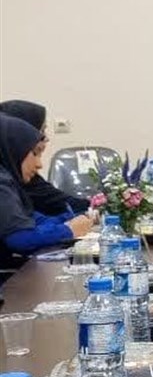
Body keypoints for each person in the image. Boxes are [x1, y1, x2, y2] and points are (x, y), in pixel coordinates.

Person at [0, 114, 94, 269]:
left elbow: (33, 220)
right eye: (35, 153)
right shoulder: (2, 184)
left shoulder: (10, 181)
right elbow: (19, 238)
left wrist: (69, 219)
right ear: (14, 150)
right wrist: (68, 230)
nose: (39, 164)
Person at [0, 100, 90, 215]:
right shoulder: (4, 187)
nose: (45, 138)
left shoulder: (17, 175)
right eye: (41, 131)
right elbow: (57, 203)